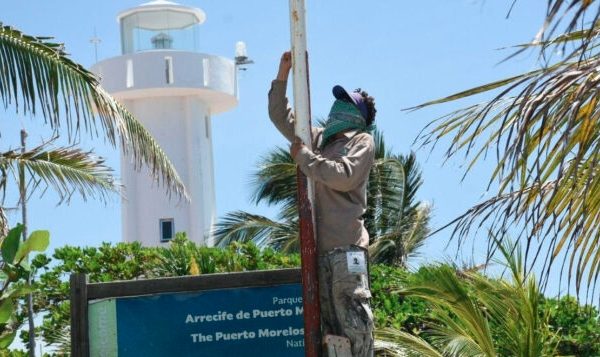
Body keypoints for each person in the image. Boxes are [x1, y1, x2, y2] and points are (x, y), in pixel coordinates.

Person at [268, 51, 376, 357]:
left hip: (346, 248)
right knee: (329, 331)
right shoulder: (317, 139)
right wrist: (283, 72)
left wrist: (304, 157)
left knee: (354, 320)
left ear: (359, 116)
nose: (338, 106)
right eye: (338, 100)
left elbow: (342, 176)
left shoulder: (361, 142)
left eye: (347, 103)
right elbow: (280, 115)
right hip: (320, 252)